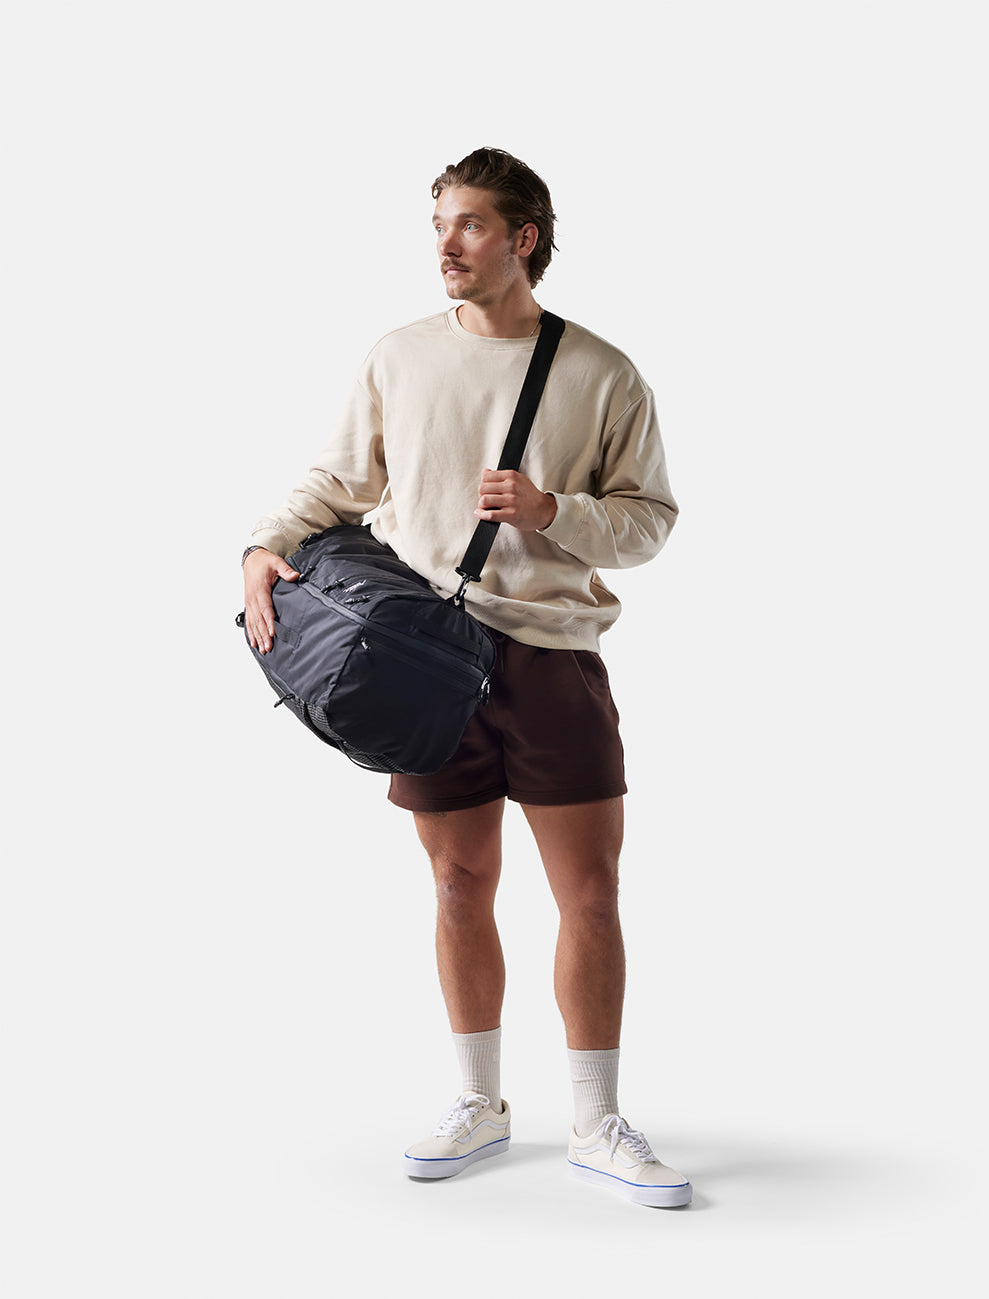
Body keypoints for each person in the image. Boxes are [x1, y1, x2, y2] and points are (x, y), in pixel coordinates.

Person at [241, 148, 691, 1208]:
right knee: (456, 883)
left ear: (524, 238)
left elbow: (650, 520)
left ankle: (596, 1121)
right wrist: (262, 545)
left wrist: (554, 512)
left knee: (590, 893)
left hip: (552, 658)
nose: (447, 244)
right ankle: (479, 1101)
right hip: (421, 658)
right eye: (439, 223)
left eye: (471, 224)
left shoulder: (601, 372)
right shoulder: (399, 355)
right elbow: (340, 480)